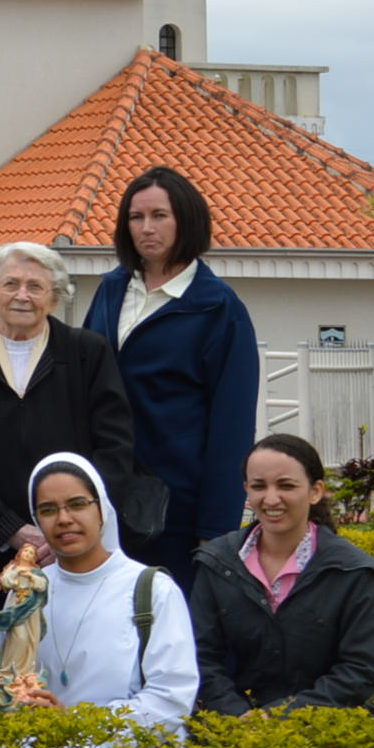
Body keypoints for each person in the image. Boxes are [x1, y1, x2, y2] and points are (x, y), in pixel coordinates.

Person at [0, 242, 136, 651]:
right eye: (11, 284)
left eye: (36, 287)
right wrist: (9, 530)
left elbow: (115, 449)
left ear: (55, 297)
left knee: (76, 667)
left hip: (76, 552)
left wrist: (66, 526)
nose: (22, 295)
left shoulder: (87, 354)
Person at [85, 167, 261, 584]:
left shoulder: (218, 308)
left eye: (159, 216)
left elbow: (232, 427)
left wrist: (215, 530)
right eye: (136, 217)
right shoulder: (111, 290)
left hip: (176, 511)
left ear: (186, 220)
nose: (146, 228)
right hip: (104, 501)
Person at [0, 454, 190, 729]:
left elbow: (171, 700)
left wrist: (72, 723)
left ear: (101, 510)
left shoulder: (153, 590)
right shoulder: (26, 588)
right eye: (48, 509)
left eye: (77, 504)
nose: (64, 519)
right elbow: (11, 676)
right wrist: (0, 693)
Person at [193, 435, 374, 713]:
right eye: (259, 486)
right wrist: (236, 716)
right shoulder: (217, 563)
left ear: (315, 491)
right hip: (232, 732)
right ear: (246, 489)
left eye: (286, 485)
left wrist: (277, 718)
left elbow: (358, 671)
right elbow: (201, 658)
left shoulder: (351, 570)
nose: (271, 499)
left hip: (323, 732)